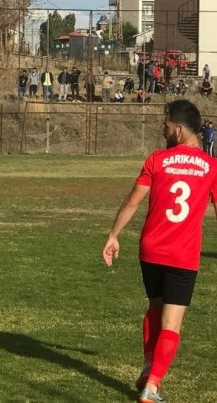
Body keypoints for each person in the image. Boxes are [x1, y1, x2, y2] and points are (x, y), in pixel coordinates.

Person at [102, 99, 217, 403]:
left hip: (150, 250)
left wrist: (113, 236)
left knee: (155, 308)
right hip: (182, 255)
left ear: (179, 130)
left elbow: (132, 202)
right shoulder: (212, 166)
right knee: (172, 323)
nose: (162, 131)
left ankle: (147, 366)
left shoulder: (156, 159)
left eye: (166, 126)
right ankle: (151, 388)